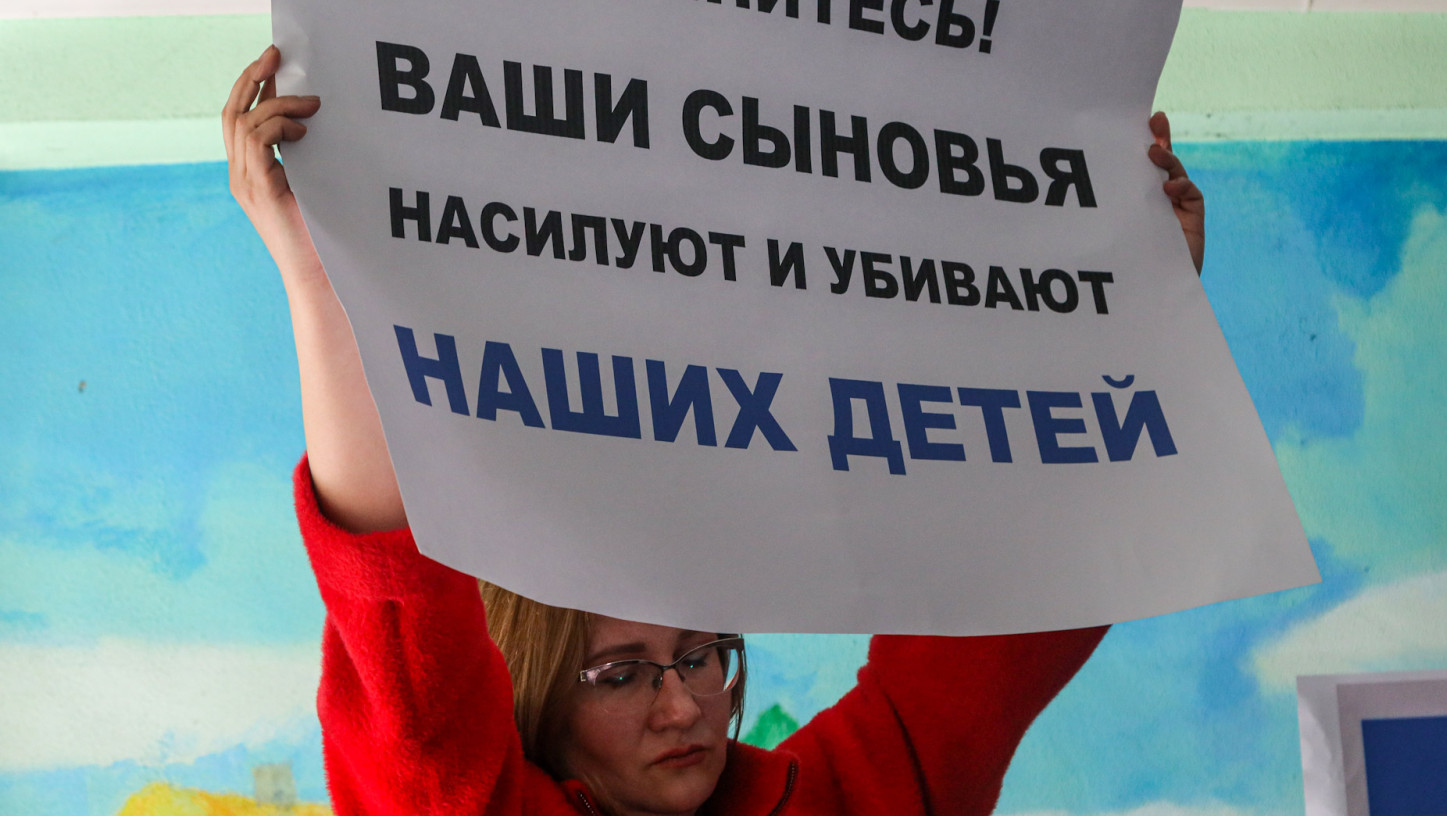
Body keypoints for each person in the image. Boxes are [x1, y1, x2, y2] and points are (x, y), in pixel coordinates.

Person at [225, 44, 1205, 816]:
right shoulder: (466, 803)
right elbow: (393, 600)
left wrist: (1131, 305)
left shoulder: (845, 799)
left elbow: (1012, 601)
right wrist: (316, 274)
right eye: (620, 673)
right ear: (537, 681)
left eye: (700, 655)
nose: (684, 705)